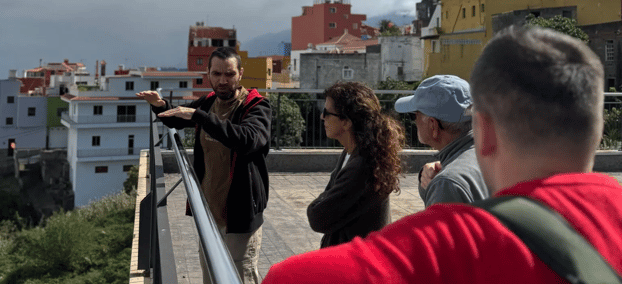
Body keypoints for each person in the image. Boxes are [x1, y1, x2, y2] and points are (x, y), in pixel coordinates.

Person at [262, 26, 622, 284]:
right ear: (597, 124)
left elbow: (287, 276)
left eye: (418, 116)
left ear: (486, 128)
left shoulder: (452, 228)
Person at [137, 47, 271, 284]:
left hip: (239, 216)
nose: (222, 80)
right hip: (209, 212)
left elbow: (249, 139)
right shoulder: (209, 102)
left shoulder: (255, 106)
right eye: (217, 73)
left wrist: (200, 117)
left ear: (240, 74)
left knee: (239, 277)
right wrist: (159, 105)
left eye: (229, 74)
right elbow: (181, 116)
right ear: (208, 73)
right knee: (210, 276)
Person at [307, 81, 404, 248]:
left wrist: (321, 202)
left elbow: (317, 217)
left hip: (356, 262)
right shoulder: (353, 152)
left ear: (346, 122)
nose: (322, 117)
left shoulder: (362, 166)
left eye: (327, 112)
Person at [395, 75, 489, 206]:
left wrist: (441, 181)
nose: (414, 121)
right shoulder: (497, 153)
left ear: (433, 125)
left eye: (414, 115)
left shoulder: (447, 184)